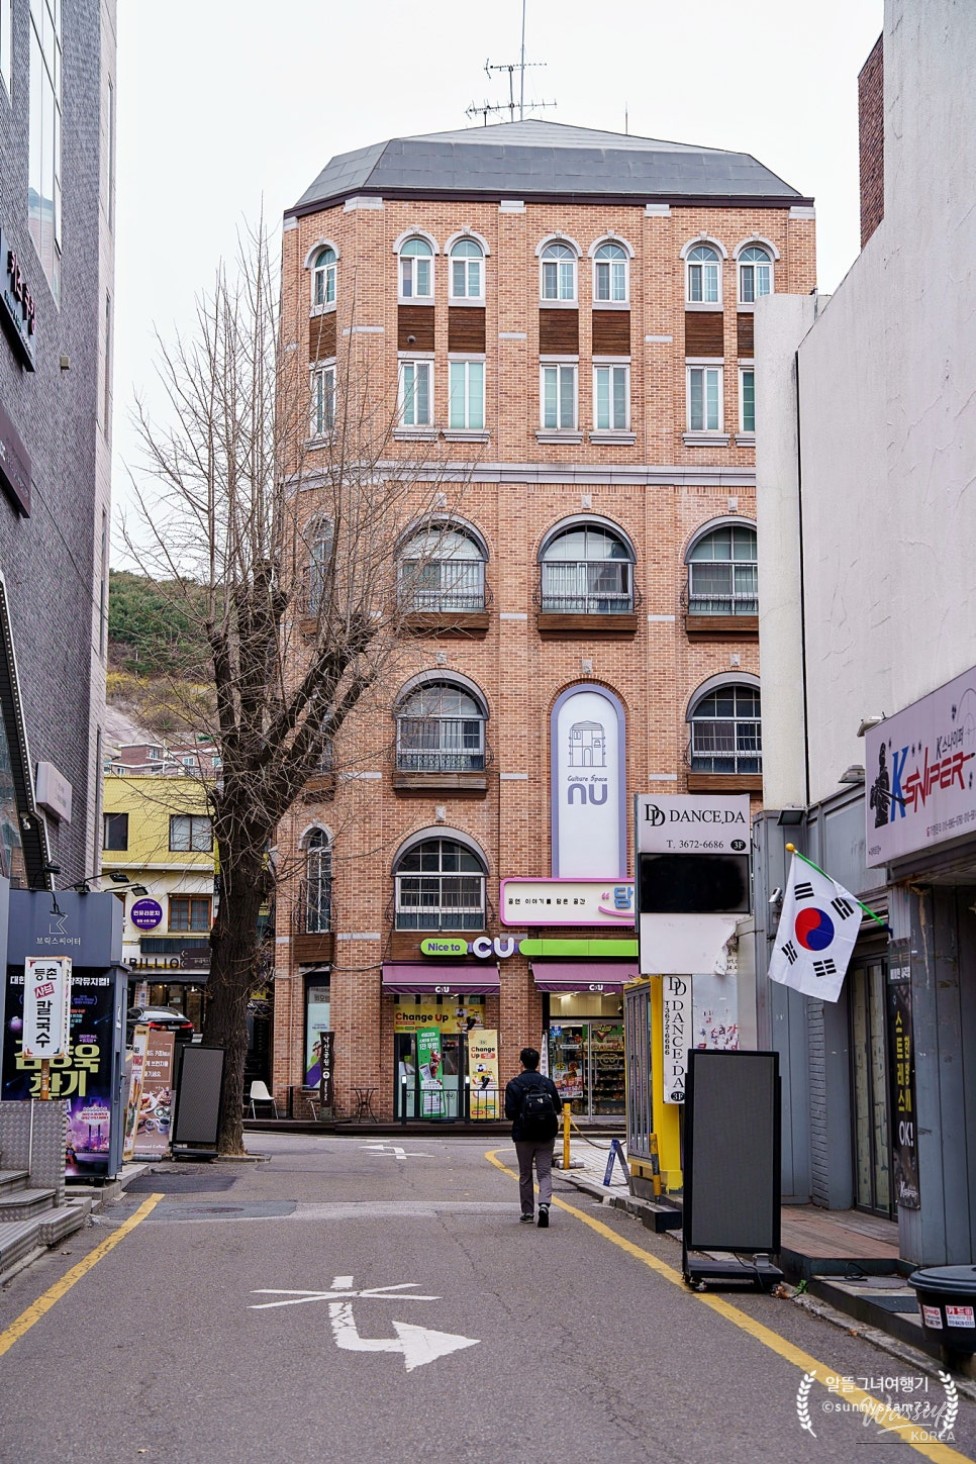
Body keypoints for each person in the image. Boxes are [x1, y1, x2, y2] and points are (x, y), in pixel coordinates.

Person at [505, 1046, 561, 1228]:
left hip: (523, 1135)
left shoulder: (514, 1084)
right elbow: (558, 1108)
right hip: (546, 1134)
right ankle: (544, 1204)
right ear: (538, 1063)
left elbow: (510, 1113)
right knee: (544, 1172)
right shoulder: (547, 1083)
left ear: (521, 1063)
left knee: (525, 1174)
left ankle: (528, 1213)